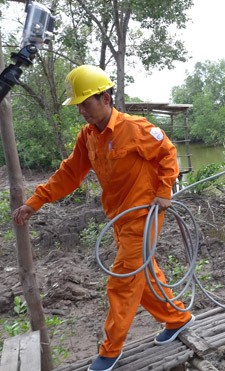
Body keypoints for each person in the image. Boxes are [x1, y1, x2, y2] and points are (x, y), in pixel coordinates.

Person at [11, 65, 194, 371]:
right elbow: (70, 173)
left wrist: (165, 190)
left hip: (144, 216)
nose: (81, 110)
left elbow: (167, 152)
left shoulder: (136, 128)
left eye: (85, 103)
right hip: (119, 218)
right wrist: (35, 202)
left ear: (105, 98)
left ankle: (110, 352)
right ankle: (177, 318)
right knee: (145, 276)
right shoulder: (88, 137)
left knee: (121, 281)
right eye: (78, 105)